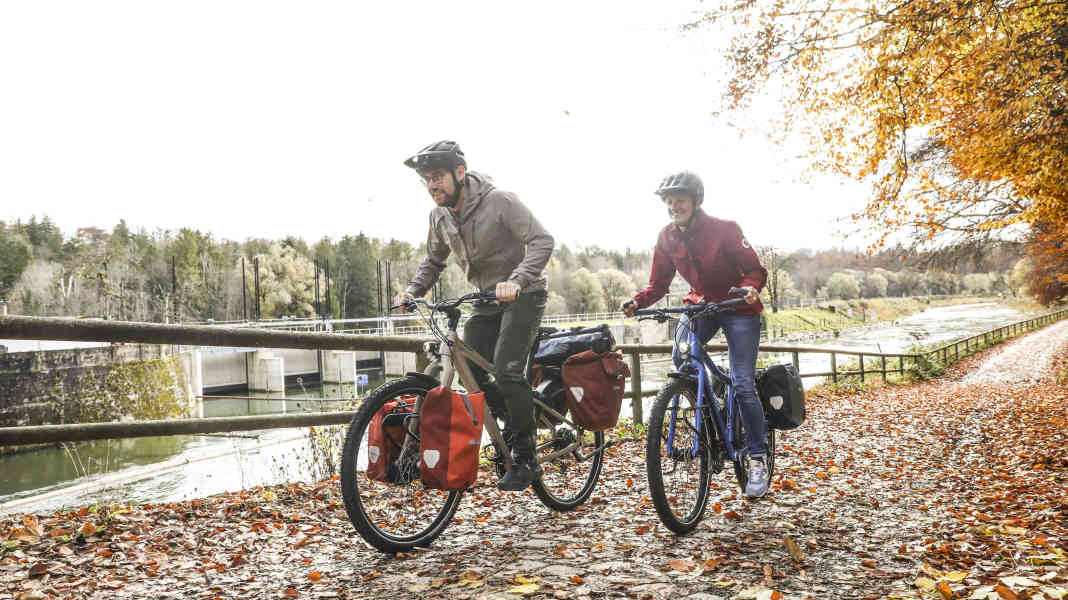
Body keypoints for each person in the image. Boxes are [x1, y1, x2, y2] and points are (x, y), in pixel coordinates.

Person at [396, 140, 555, 491]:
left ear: (460, 172)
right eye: (426, 180)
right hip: (485, 300)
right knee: (473, 375)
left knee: (507, 368)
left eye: (437, 176)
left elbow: (543, 241)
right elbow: (433, 261)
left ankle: (526, 456)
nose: (432, 185)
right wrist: (413, 292)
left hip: (524, 294)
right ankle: (515, 424)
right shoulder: (439, 216)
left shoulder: (500, 201)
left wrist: (516, 280)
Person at [620, 171, 771, 498]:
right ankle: (706, 399)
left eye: (681, 201)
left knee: (743, 383)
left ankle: (757, 459)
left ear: (695, 201)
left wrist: (749, 289)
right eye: (669, 203)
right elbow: (658, 284)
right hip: (702, 305)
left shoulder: (725, 229)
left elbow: (755, 270)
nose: (675, 207)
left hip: (738, 307)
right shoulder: (666, 236)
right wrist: (637, 301)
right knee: (682, 358)